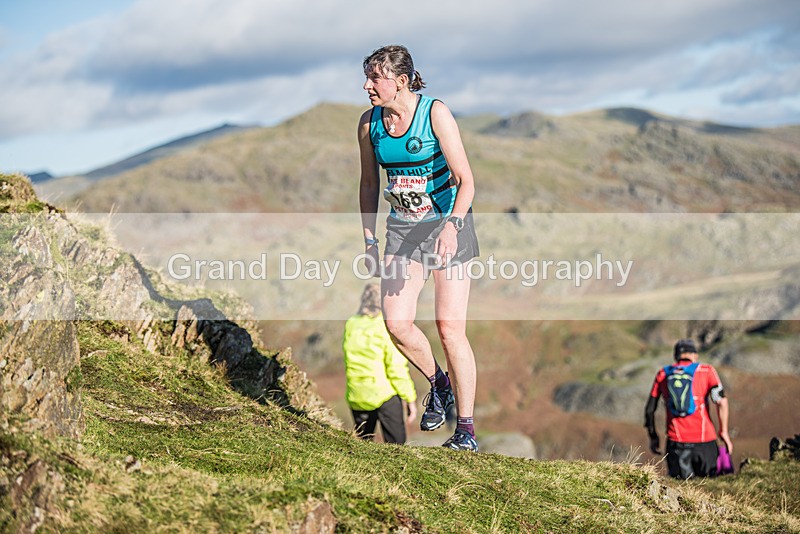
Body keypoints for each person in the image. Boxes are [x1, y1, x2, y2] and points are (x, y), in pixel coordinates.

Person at [357, 44, 481, 451]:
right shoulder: (369, 124)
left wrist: (453, 225)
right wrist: (369, 237)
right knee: (396, 322)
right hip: (402, 231)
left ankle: (465, 430)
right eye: (368, 77)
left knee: (449, 328)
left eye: (376, 78)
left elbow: (467, 181)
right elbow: (370, 184)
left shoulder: (435, 114)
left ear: (402, 80)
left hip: (449, 225)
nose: (367, 85)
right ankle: (438, 383)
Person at [645, 338, 734, 479]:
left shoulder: (663, 374)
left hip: (677, 442)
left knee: (681, 491)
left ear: (676, 356)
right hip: (706, 441)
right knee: (710, 489)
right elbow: (721, 402)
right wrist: (723, 432)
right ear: (694, 355)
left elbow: (650, 409)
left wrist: (653, 436)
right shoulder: (706, 371)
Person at [344, 283, 418, 444]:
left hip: (356, 394)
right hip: (384, 395)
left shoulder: (351, 323)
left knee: (362, 446)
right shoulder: (385, 326)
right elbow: (396, 369)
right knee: (397, 447)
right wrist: (410, 399)